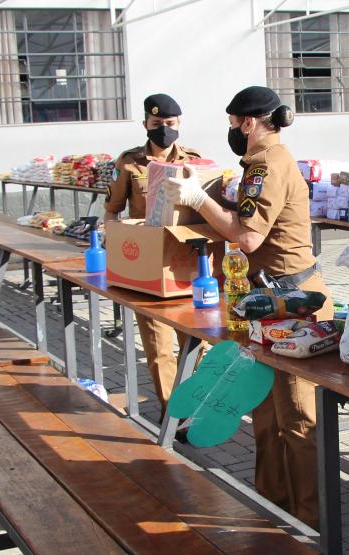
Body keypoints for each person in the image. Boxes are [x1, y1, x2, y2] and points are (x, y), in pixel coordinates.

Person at [164, 86, 332, 530]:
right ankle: (274, 511)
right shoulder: (259, 164)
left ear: (247, 122)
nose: (232, 131)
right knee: (264, 413)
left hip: (295, 307)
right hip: (267, 304)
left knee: (297, 421)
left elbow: (249, 237)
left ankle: (310, 524)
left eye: (233, 122)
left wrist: (199, 201)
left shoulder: (266, 164)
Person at [104, 93, 201, 416]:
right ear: (145, 123)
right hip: (146, 269)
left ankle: (195, 401)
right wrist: (117, 250)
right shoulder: (128, 163)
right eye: (157, 124)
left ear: (179, 124)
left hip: (186, 265)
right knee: (159, 348)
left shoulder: (194, 161)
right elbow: (113, 212)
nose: (164, 129)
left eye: (170, 124)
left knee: (196, 341)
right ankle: (174, 413)